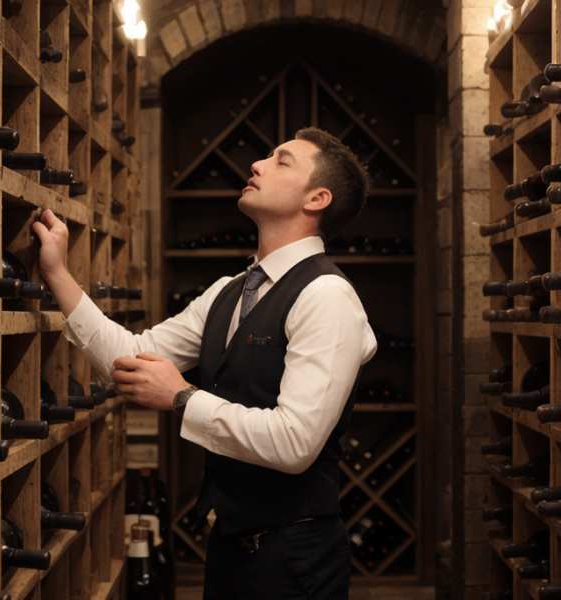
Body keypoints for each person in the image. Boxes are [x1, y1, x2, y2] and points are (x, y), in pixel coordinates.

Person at [33, 127, 377, 599]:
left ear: (317, 198)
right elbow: (134, 356)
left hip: (294, 558)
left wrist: (181, 397)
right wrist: (57, 273)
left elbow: (295, 443)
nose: (256, 165)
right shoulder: (229, 291)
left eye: (281, 161)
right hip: (231, 546)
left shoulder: (326, 296)